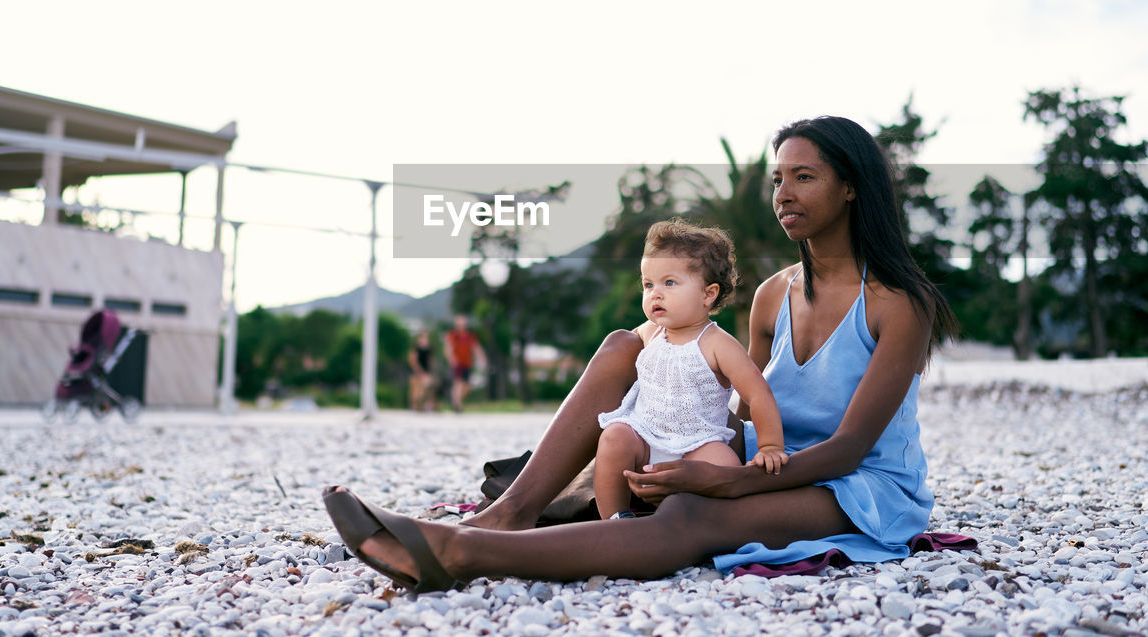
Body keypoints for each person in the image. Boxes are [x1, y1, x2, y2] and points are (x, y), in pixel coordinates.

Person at [322, 115, 958, 591]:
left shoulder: (898, 302)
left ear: (851, 189)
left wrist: (727, 482)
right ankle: (510, 513)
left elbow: (848, 449)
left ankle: (460, 554)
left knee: (688, 516)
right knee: (626, 346)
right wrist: (661, 425)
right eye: (777, 179)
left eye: (804, 177)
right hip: (771, 456)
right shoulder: (770, 297)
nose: (783, 193)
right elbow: (736, 404)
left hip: (858, 486)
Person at [595, 219, 787, 521]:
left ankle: (714, 524)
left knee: (725, 465)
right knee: (614, 436)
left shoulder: (717, 343)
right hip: (646, 438)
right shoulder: (650, 333)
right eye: (648, 284)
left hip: (699, 444)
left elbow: (758, 393)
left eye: (669, 283)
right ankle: (615, 519)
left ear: (707, 294)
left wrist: (771, 445)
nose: (655, 294)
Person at [443, 315, 486, 412]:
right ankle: (458, 406)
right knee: (458, 383)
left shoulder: (470, 336)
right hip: (457, 364)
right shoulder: (453, 335)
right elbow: (448, 348)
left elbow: (477, 348)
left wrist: (482, 359)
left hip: (468, 363)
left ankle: (455, 399)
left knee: (467, 386)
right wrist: (452, 359)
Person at [408, 330, 437, 412]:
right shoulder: (416, 347)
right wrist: (418, 369)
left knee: (427, 387)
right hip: (417, 370)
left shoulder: (429, 348)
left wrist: (431, 370)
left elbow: (431, 360)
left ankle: (425, 405)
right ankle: (414, 406)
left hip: (426, 370)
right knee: (416, 389)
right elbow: (413, 360)